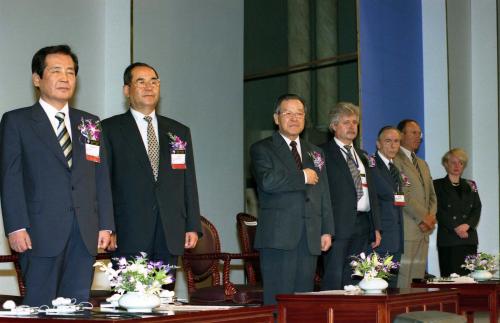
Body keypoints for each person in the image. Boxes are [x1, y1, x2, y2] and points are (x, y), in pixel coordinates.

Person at [0, 45, 114, 306]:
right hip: (39, 232)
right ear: (37, 79)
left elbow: (100, 177)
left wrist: (106, 224)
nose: (65, 78)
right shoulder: (17, 121)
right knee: (41, 307)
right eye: (56, 71)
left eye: (71, 72)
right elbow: (10, 179)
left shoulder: (90, 123)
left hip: (84, 232)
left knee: (77, 307)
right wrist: (16, 226)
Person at [101, 62, 201, 285]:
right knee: (131, 302)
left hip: (169, 230)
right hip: (128, 231)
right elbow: (103, 182)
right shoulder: (109, 129)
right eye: (141, 81)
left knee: (164, 300)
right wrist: (108, 226)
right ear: (127, 90)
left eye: (154, 81)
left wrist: (192, 224)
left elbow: (188, 181)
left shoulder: (178, 131)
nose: (149, 87)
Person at [250, 94, 334, 305]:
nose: (294, 118)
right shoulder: (262, 148)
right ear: (276, 118)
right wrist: (303, 176)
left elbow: (323, 192)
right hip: (279, 237)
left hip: (310, 235)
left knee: (302, 304)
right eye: (288, 113)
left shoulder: (315, 152)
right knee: (279, 302)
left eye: (299, 114)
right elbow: (267, 181)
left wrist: (326, 229)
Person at [320, 102, 381, 290]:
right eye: (346, 122)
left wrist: (376, 226)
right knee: (335, 277)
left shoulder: (363, 156)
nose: (352, 126)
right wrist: (325, 228)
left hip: (363, 224)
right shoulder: (322, 153)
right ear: (333, 126)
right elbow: (320, 194)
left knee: (358, 278)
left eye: (355, 122)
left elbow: (373, 194)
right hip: (337, 226)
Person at [394, 119, 437, 288]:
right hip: (409, 227)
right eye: (413, 133)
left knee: (418, 277)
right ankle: (402, 312)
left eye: (420, 133)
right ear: (401, 135)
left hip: (424, 229)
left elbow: (432, 195)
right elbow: (402, 194)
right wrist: (422, 217)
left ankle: (416, 313)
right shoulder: (395, 160)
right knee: (404, 276)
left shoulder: (422, 164)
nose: (418, 136)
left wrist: (430, 217)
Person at [434, 148, 481, 277]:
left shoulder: (471, 184)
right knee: (451, 280)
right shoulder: (437, 185)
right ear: (446, 164)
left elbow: (477, 208)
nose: (457, 166)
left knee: (470, 279)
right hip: (449, 239)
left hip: (469, 238)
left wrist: (467, 225)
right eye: (453, 162)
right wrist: (456, 226)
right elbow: (437, 210)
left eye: (460, 163)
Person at [369, 126, 404, 287]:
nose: (393, 146)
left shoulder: (395, 169)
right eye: (388, 141)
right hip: (380, 236)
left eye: (396, 141)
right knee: (377, 285)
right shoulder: (372, 165)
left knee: (391, 286)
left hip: (396, 237)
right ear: (378, 144)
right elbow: (386, 194)